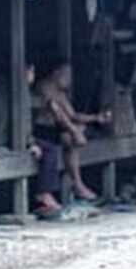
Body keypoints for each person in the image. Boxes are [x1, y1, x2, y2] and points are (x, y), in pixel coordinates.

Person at [33, 62, 112, 203]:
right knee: (69, 138)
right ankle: (77, 184)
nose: (70, 79)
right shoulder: (44, 87)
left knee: (73, 135)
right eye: (67, 75)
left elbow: (73, 115)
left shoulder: (60, 93)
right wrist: (74, 130)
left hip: (57, 130)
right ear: (56, 73)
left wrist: (96, 118)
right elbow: (58, 114)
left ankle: (77, 184)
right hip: (41, 131)